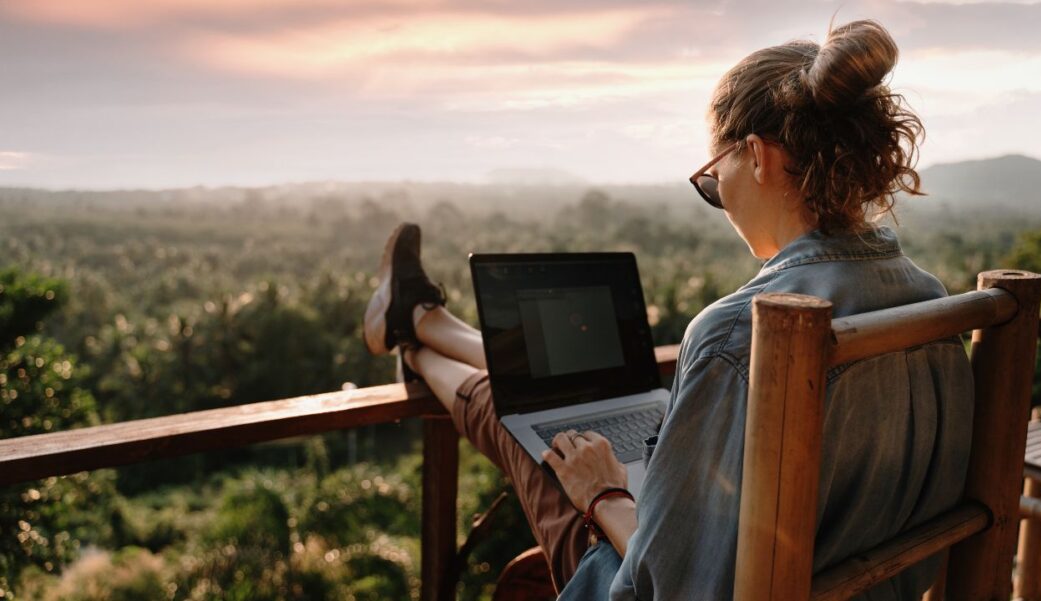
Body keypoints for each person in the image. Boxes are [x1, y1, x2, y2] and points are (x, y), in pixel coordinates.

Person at [362, 19, 973, 600]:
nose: (719, 197)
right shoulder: (932, 303)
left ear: (757, 156)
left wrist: (602, 494)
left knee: (519, 416)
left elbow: (672, 587)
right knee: (552, 399)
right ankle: (420, 323)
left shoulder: (741, 334)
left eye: (713, 178)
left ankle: (414, 337)